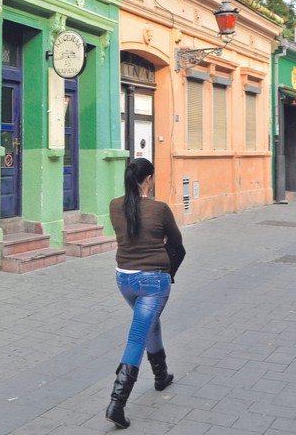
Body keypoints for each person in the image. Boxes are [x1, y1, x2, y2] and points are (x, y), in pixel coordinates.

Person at [106, 158, 184, 429]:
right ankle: (117, 402)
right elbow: (178, 244)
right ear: (149, 178)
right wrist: (167, 265)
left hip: (124, 279)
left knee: (149, 323)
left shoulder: (115, 205)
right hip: (152, 282)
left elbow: (126, 235)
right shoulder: (160, 209)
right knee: (137, 336)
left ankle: (161, 376)